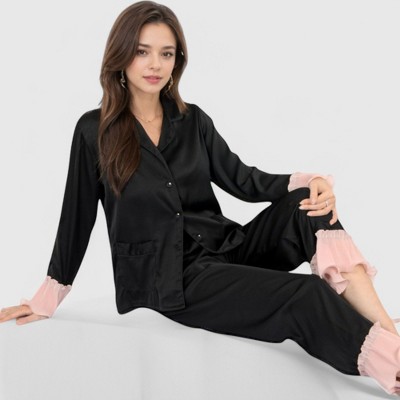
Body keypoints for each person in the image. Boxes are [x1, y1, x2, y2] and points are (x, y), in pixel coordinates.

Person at [0, 0, 399, 396]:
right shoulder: (95, 131)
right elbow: (76, 218)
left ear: (178, 61)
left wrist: (311, 181)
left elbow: (244, 180)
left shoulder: (192, 120)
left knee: (306, 205)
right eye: (142, 51)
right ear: (121, 55)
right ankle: (393, 366)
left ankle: (389, 335)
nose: (155, 64)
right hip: (173, 281)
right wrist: (48, 297)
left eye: (166, 53)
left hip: (225, 251)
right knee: (306, 294)